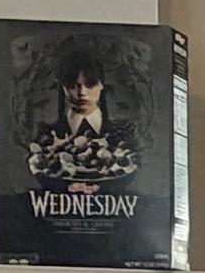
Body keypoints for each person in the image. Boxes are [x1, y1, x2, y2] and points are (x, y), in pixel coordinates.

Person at [33, 44, 137, 194]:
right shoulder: (46, 133)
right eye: (73, 86)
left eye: (90, 84)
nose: (82, 92)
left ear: (101, 85)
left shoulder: (124, 132)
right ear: (63, 87)